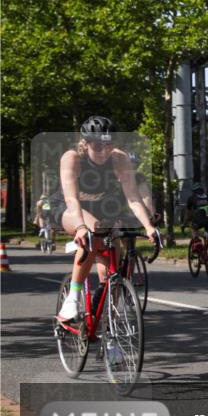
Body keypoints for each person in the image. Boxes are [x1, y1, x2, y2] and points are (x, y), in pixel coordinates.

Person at [52, 116, 159, 323]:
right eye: (98, 145)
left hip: (101, 210)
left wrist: (148, 226)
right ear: (85, 143)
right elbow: (71, 198)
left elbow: (133, 197)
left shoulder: (119, 158)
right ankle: (73, 297)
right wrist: (82, 227)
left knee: (112, 273)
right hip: (69, 208)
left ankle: (110, 329)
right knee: (93, 233)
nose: (104, 150)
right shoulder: (72, 158)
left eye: (108, 144)